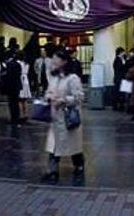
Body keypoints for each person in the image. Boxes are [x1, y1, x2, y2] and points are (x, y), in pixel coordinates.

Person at [41, 48, 85, 184]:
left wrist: (64, 99)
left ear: (64, 61)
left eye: (56, 59)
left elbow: (79, 97)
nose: (53, 61)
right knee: (53, 145)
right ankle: (52, 170)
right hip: (55, 118)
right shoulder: (53, 77)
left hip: (67, 118)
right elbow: (48, 91)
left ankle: (79, 164)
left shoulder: (73, 78)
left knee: (72, 145)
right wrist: (49, 97)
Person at [2, 51, 24, 126]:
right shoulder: (18, 65)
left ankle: (13, 117)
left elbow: (7, 75)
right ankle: (16, 117)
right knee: (15, 102)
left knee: (11, 102)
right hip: (16, 85)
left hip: (10, 86)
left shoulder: (9, 65)